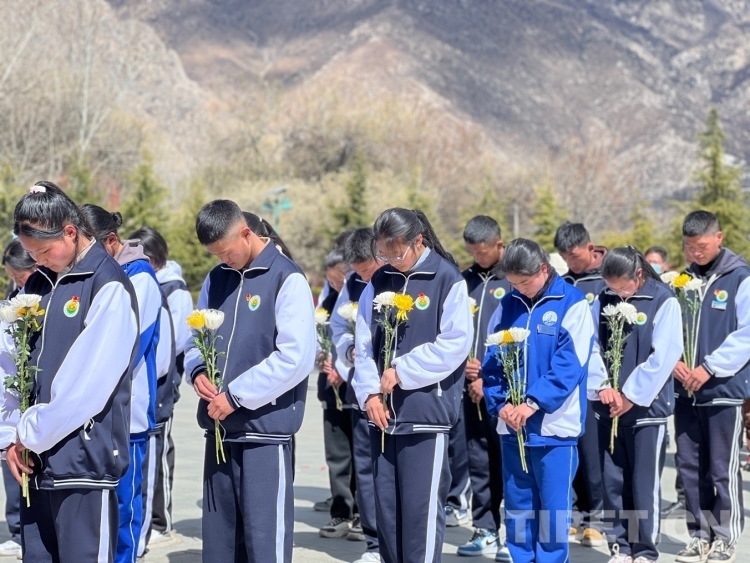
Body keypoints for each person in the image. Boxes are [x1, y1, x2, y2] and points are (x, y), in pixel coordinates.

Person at [0, 181, 138, 562]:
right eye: (31, 254)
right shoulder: (38, 284)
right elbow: (10, 361)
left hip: (83, 462)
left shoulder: (107, 284)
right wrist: (10, 435)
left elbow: (86, 385)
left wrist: (29, 432)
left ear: (71, 232)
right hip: (33, 460)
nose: (39, 261)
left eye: (44, 251)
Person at [185, 199, 315, 563]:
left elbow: (295, 357)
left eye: (227, 252)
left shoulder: (287, 278)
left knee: (263, 541)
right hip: (219, 429)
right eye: (215, 254)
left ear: (246, 233)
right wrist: (197, 371)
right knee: (220, 541)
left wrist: (236, 396)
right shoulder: (216, 278)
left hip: (264, 432)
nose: (223, 260)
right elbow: (196, 337)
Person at [352, 208, 472, 563]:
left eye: (396, 253)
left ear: (418, 241)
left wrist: (402, 370)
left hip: (425, 415)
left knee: (420, 514)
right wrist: (370, 393)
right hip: (383, 417)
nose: (389, 261)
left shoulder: (446, 279)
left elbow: (455, 344)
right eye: (383, 253)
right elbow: (363, 343)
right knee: (387, 513)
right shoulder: (379, 280)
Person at [482, 238, 595, 563]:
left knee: (552, 512)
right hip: (513, 426)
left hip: (554, 427)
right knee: (518, 509)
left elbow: (570, 364)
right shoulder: (507, 304)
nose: (519, 289)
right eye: (513, 283)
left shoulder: (571, 303)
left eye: (524, 282)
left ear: (543, 269)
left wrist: (532, 403)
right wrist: (501, 404)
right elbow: (492, 359)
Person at [80, 205, 164, 563]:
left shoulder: (140, 278)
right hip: (96, 409)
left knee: (125, 503)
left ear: (111, 241)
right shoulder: (100, 272)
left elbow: (128, 346)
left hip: (129, 412)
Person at [588, 247, 682, 563]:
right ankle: (620, 546)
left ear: (638, 274)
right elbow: (590, 346)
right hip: (608, 407)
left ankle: (644, 550)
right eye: (611, 287)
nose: (617, 293)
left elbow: (664, 355)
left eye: (622, 287)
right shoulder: (603, 299)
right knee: (613, 481)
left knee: (643, 484)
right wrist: (603, 387)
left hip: (645, 410)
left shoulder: (663, 300)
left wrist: (630, 396)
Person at [672, 211, 750, 563]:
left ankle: (725, 538)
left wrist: (709, 367)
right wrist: (675, 362)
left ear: (719, 237)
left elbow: (746, 334)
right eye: (689, 247)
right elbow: (669, 330)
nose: (695, 253)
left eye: (701, 245)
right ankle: (698, 536)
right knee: (689, 466)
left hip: (722, 390)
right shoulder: (681, 281)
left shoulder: (740, 278)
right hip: (685, 392)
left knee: (721, 468)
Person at [127, 226, 191, 554]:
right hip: (145, 383)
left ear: (152, 258)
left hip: (161, 384)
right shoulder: (141, 283)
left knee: (158, 452)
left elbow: (174, 342)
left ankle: (160, 521)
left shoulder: (173, 289)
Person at [456, 216, 512, 561]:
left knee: (509, 462)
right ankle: (485, 528)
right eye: (472, 252)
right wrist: (463, 366)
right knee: (478, 460)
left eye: (483, 251)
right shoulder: (464, 281)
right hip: (469, 390)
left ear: (499, 244)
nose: (478, 257)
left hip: (504, 391)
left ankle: (513, 534)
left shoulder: (514, 279)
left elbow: (515, 337)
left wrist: (487, 377)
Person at [330, 227, 384, 563]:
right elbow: (338, 327)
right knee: (365, 467)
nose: (364, 278)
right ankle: (374, 543)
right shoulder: (352, 284)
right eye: (358, 272)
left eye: (367, 270)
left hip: (397, 391)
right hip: (361, 391)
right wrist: (348, 349)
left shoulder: (400, 279)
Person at [554, 221, 606, 546]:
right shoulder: (563, 284)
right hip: (570, 382)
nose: (571, 262)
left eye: (574, 256)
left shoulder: (607, 279)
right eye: (565, 258)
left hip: (600, 382)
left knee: (594, 455)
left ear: (590, 247)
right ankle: (573, 513)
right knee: (572, 448)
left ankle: (596, 518)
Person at [316, 247, 358, 541]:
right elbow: (317, 332)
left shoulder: (359, 292)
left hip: (355, 386)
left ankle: (364, 515)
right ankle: (341, 511)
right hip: (331, 388)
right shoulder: (328, 299)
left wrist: (342, 367)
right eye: (331, 282)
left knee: (361, 455)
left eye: (339, 281)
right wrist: (322, 357)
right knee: (337, 455)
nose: (335, 286)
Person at [0, 240, 36, 558]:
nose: (16, 282)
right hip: (10, 399)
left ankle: (28, 529)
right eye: (12, 277)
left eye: (19, 276)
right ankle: (17, 528)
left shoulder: (43, 298)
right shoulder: (12, 302)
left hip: (31, 398)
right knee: (9, 462)